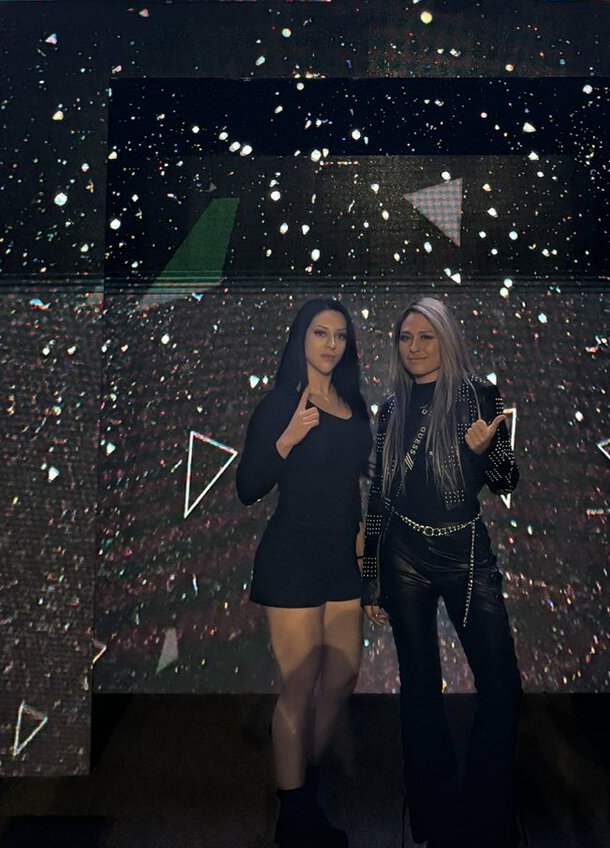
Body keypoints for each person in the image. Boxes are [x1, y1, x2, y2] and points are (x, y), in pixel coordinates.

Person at [362, 297, 520, 848]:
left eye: (425, 337)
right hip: (403, 555)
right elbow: (379, 496)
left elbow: (505, 481)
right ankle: (432, 814)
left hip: (466, 553)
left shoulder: (479, 395)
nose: (414, 348)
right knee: (420, 688)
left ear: (446, 338)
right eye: (406, 338)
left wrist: (484, 452)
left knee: (502, 686)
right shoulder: (391, 408)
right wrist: (371, 577)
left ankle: (483, 809)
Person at [237, 298, 372, 847]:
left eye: (340, 335)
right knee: (298, 685)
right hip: (291, 556)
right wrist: (287, 438)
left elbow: (354, 486)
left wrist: (365, 556)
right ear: (301, 338)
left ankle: (303, 787)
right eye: (320, 333)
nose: (331, 344)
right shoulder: (279, 404)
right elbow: (248, 487)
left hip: (341, 558)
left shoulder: (354, 404)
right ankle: (295, 817)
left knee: (341, 679)